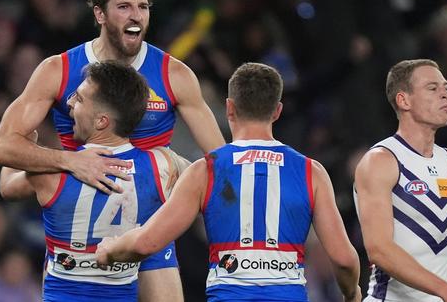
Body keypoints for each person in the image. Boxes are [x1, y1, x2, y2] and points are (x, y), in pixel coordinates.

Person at [0, 0, 225, 300]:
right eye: (124, 6)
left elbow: (220, 161)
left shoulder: (174, 75)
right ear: (99, 13)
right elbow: (0, 148)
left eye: (143, 7)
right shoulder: (58, 70)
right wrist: (71, 162)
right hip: (76, 228)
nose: (137, 16)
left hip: (147, 225)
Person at [96, 63, 361, 302]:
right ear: (277, 111)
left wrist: (110, 250)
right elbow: (343, 259)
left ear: (230, 108)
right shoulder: (310, 171)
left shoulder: (206, 170)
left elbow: (147, 243)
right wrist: (352, 294)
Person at [0, 61, 183, 301]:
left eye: (81, 99)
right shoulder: (165, 165)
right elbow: (208, 185)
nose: (70, 102)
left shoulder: (51, 173)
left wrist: (26, 141)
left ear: (101, 121)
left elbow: (7, 186)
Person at [353, 59, 447, 302]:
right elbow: (379, 249)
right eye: (433, 88)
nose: (445, 95)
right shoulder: (381, 161)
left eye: (445, 87)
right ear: (404, 100)